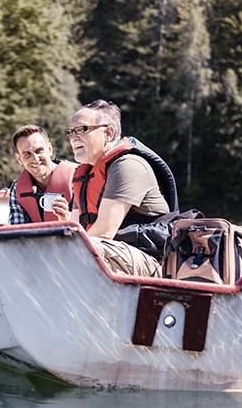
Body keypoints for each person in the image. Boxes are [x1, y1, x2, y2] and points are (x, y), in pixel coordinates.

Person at [59, 100, 179, 276]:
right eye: (70, 132)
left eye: (82, 129)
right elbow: (77, 228)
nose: (73, 137)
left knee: (88, 249)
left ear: (108, 133)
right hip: (114, 255)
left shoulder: (127, 165)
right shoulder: (84, 176)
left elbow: (104, 233)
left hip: (154, 261)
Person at [8, 124, 76, 224]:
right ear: (19, 159)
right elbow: (16, 232)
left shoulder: (77, 178)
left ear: (49, 149)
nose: (35, 159)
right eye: (27, 154)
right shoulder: (16, 189)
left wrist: (67, 218)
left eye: (39, 151)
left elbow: (92, 227)